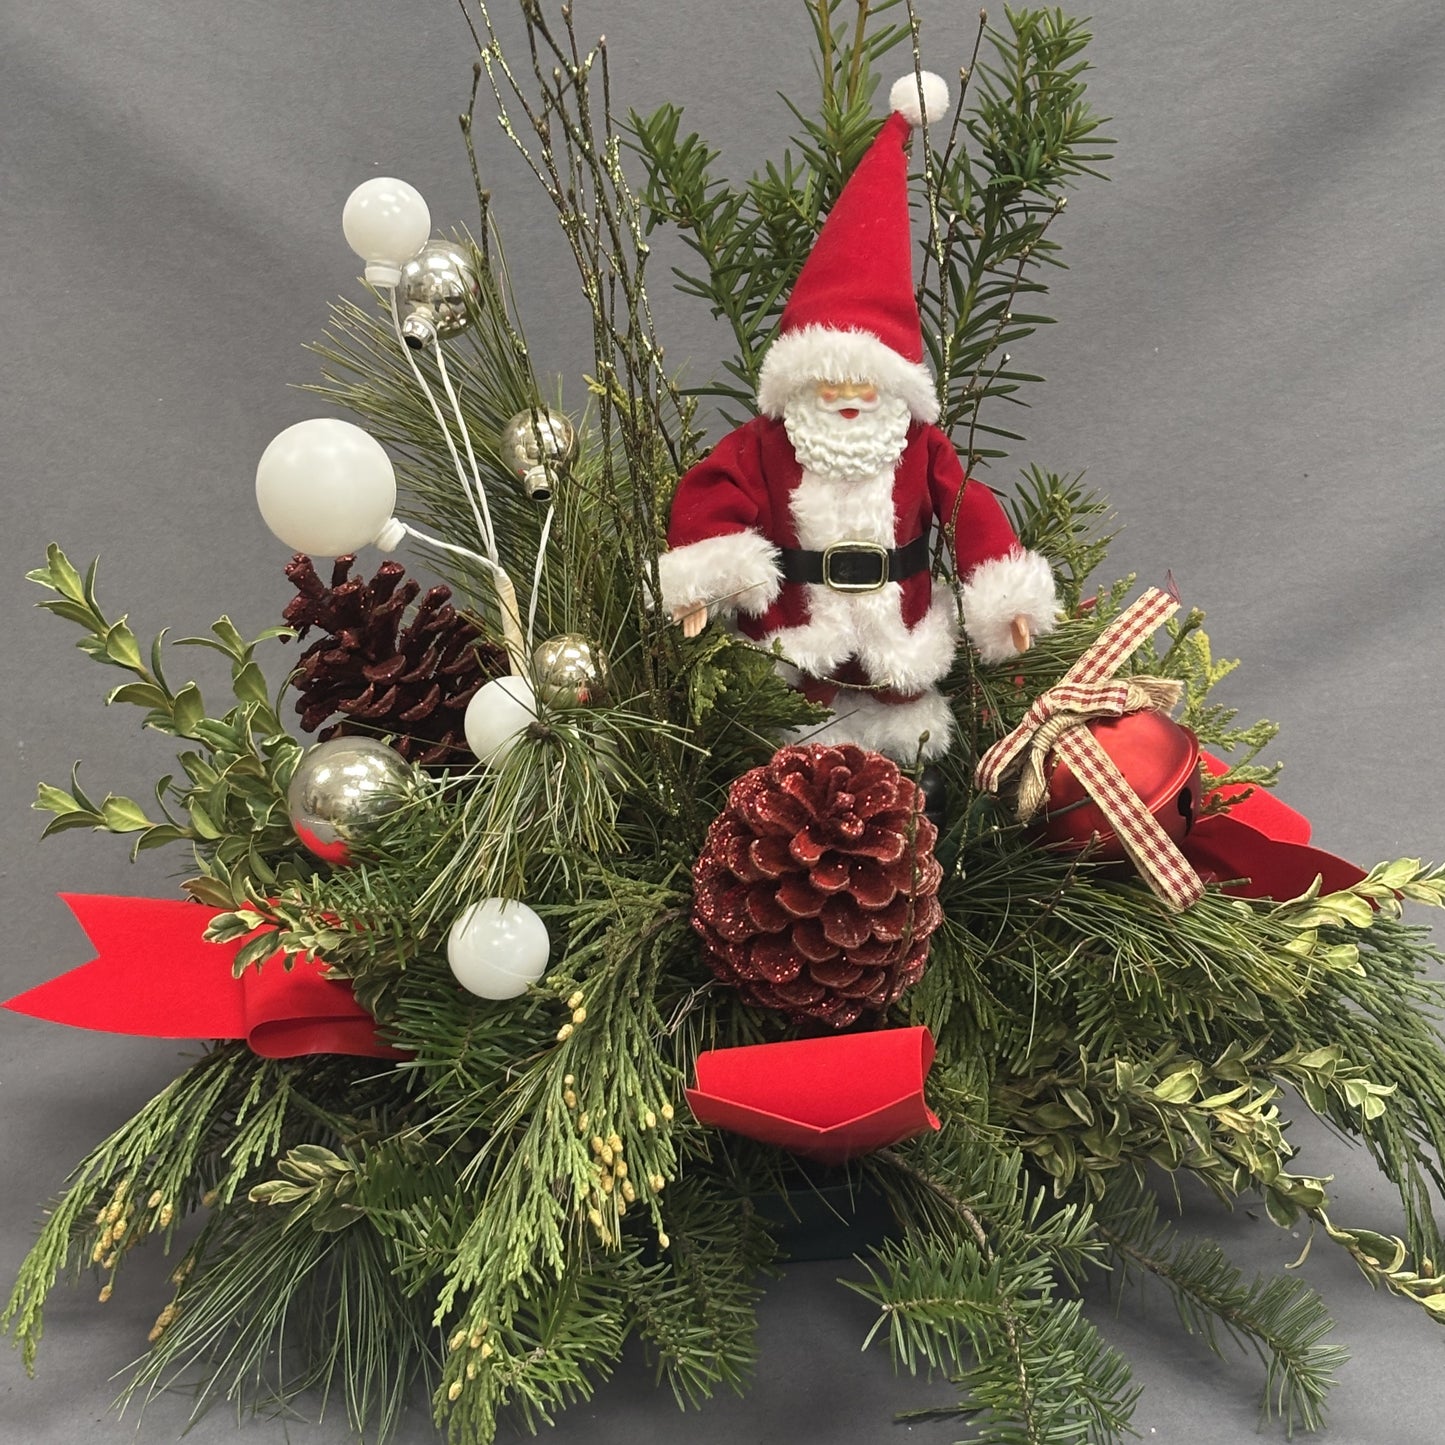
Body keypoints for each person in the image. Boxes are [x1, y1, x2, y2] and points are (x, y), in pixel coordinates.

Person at [658, 72, 1059, 762]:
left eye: (864, 380)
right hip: (797, 640)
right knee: (796, 740)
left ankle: (907, 806)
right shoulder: (767, 443)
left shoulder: (919, 446)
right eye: (830, 379)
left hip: (895, 640)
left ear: (891, 380)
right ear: (801, 377)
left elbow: (971, 511)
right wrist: (706, 579)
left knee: (906, 737)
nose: (847, 394)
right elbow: (711, 496)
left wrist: (1005, 597)